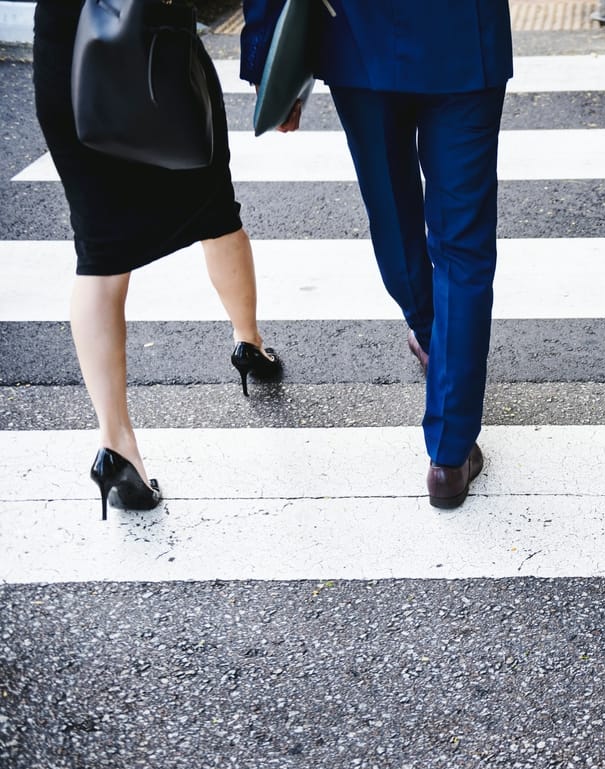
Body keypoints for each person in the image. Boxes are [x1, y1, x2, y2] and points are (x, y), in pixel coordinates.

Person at [242, 0, 513, 509]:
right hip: (464, 35)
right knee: (464, 245)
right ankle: (449, 458)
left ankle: (434, 338)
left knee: (392, 217)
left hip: (358, 36)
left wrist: (263, 53)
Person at [32, 0, 283, 520]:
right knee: (215, 209)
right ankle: (248, 344)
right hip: (154, 50)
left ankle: (116, 444)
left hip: (71, 56)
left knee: (99, 257)